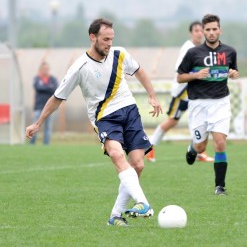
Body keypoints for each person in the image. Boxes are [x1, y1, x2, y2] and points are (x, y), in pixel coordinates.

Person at [25, 18, 162, 227]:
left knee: (138, 164)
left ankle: (115, 216)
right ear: (93, 37)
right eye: (105, 39)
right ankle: (142, 202)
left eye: (112, 39)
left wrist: (152, 95)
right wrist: (38, 123)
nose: (109, 43)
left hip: (130, 111)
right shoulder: (79, 67)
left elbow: (140, 71)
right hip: (104, 117)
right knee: (117, 155)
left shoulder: (120, 54)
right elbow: (57, 98)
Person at [177, 14, 239, 195]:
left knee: (219, 144)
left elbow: (232, 70)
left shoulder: (230, 51)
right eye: (208, 30)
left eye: (214, 29)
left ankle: (220, 187)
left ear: (220, 30)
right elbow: (180, 77)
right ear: (203, 31)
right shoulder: (193, 53)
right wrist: (195, 75)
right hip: (198, 105)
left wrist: (234, 74)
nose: (211, 33)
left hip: (220, 103)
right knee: (201, 147)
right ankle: (193, 147)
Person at [146, 21, 214, 163]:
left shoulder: (203, 48)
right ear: (191, 33)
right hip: (182, 91)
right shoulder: (188, 48)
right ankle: (149, 146)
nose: (200, 33)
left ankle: (199, 151)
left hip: (195, 92)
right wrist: (195, 74)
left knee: (200, 119)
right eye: (197, 30)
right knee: (172, 121)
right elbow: (179, 70)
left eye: (202, 30)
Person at [30, 62, 58, 145]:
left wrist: (44, 88)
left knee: (48, 127)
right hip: (38, 106)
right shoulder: (37, 79)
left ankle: (46, 144)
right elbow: (38, 87)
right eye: (44, 69)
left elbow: (55, 89)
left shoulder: (53, 79)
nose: (45, 70)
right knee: (35, 125)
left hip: (49, 107)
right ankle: (32, 142)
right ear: (41, 69)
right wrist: (48, 87)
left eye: (47, 69)